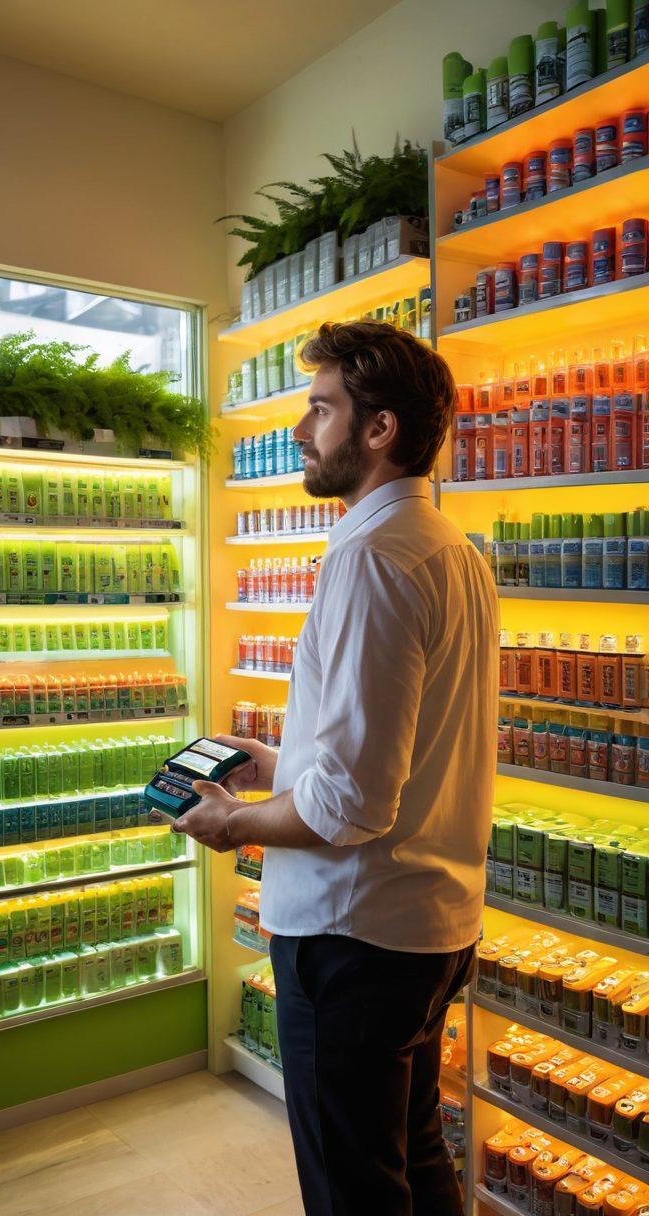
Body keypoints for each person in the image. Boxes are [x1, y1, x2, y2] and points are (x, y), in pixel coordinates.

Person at [174, 320, 498, 1216]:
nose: (301, 430)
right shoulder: (453, 552)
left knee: (354, 1185)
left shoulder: (371, 557)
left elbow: (350, 805)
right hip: (430, 923)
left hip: (352, 937)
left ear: (379, 429)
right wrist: (276, 762)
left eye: (321, 409)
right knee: (415, 1154)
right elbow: (406, 751)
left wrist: (230, 823)